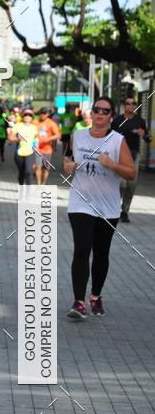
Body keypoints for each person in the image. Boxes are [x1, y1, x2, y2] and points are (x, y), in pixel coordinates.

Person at [64, 95, 135, 319]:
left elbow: (131, 173)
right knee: (82, 250)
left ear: (111, 117)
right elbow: (66, 159)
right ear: (91, 113)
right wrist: (67, 166)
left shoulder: (117, 141)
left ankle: (95, 295)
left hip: (108, 206)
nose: (100, 114)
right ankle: (78, 302)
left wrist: (111, 164)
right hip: (80, 203)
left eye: (105, 111)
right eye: (97, 109)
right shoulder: (77, 136)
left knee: (101, 253)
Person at [112, 96, 149, 223]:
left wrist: (143, 134)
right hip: (119, 155)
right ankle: (115, 207)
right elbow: (109, 137)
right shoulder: (117, 121)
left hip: (134, 155)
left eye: (133, 103)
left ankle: (125, 211)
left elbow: (148, 138)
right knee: (121, 184)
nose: (131, 106)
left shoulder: (140, 121)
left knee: (131, 185)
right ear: (124, 105)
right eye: (128, 103)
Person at [8, 109, 37, 185]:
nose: (28, 117)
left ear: (32, 118)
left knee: (28, 171)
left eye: (30, 115)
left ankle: (28, 192)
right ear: (23, 116)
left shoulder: (34, 127)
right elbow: (10, 138)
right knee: (22, 172)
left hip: (30, 153)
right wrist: (18, 139)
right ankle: (21, 185)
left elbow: (37, 141)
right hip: (19, 153)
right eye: (26, 115)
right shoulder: (18, 126)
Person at [34, 107, 60, 185]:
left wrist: (48, 139)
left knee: (45, 168)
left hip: (47, 149)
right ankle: (38, 184)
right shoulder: (35, 122)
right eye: (41, 113)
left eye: (45, 113)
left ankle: (43, 183)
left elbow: (58, 135)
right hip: (37, 148)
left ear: (48, 114)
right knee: (37, 167)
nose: (43, 115)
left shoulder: (51, 123)